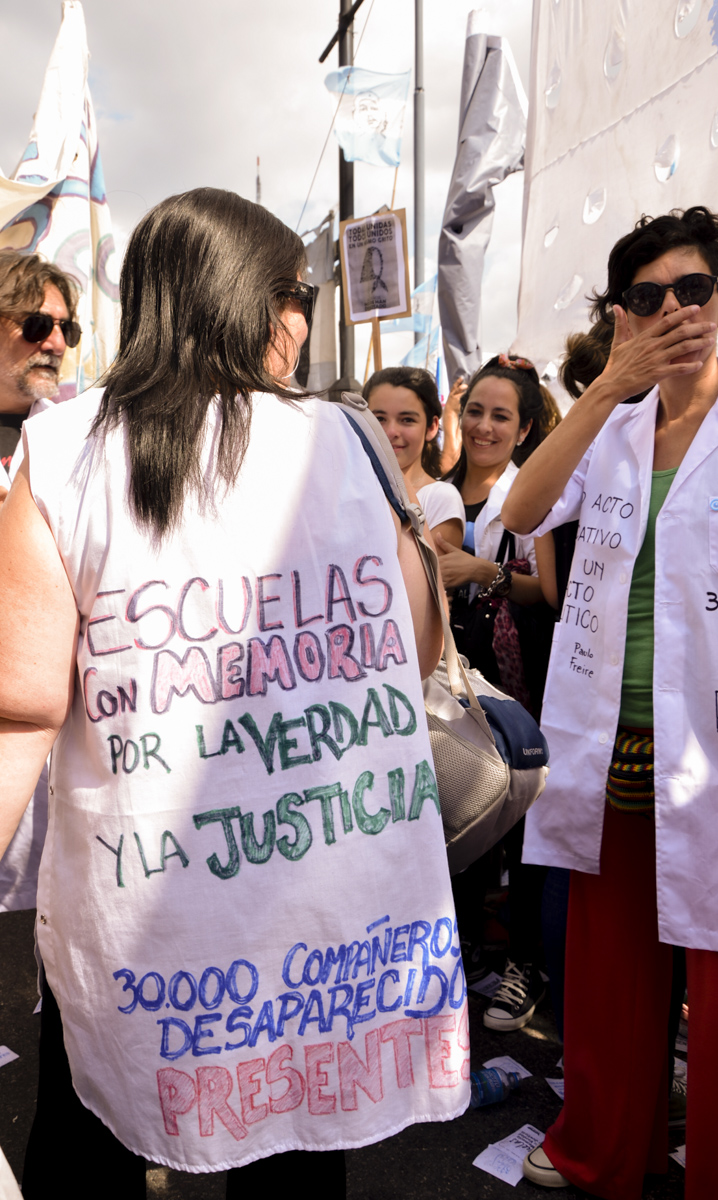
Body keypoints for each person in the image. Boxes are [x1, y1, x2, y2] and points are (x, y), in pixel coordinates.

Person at [0, 188, 469, 1198]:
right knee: (295, 1149)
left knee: (92, 1129)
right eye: (297, 295)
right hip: (323, 898)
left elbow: (21, 710)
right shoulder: (346, 439)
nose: (301, 320)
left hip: (142, 916)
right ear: (253, 300)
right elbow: (418, 647)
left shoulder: (65, 447)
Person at [502, 206, 718, 1199]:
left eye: (692, 290)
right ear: (622, 316)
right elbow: (521, 513)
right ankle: (601, 1147)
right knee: (610, 968)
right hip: (614, 743)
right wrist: (605, 389)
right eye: (646, 297)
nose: (674, 310)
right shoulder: (613, 429)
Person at [437, 353, 560, 1030]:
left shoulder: (530, 495)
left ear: (524, 428)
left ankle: (520, 961)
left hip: (507, 684)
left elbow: (550, 593)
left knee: (513, 815)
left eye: (500, 416)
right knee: (453, 813)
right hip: (441, 681)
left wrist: (481, 571)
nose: (484, 426)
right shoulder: (435, 492)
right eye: (475, 411)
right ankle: (461, 950)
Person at [0, 250, 80, 913]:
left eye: (65, 328)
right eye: (35, 324)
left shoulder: (78, 444)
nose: (54, 342)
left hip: (59, 794)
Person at [364, 365, 465, 552]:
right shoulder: (348, 489)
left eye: (407, 420)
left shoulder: (440, 498)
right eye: (379, 419)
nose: (391, 432)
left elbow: (435, 570)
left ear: (432, 427)